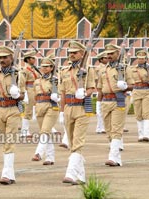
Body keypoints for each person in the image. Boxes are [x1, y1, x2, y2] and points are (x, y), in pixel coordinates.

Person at [59, 41, 95, 185]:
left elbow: (92, 88)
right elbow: (62, 93)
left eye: (74, 52)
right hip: (68, 107)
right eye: (70, 53)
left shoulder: (88, 69)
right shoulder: (64, 71)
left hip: (82, 108)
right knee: (72, 142)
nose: (71, 55)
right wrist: (62, 111)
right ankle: (81, 176)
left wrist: (85, 93)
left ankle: (71, 173)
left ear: (82, 54)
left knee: (78, 142)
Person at [0, 46, 25, 185]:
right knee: (4, 141)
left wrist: (18, 95)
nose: (2, 60)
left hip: (12, 109)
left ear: (12, 58)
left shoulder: (18, 74)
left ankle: (6, 173)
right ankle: (10, 174)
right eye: (0, 58)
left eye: (5, 57)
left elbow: (22, 95)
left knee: (9, 141)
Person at [96, 44, 134, 167]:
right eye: (108, 54)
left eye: (112, 53)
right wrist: (98, 103)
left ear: (118, 53)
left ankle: (112, 157)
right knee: (109, 131)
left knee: (116, 129)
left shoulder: (124, 68)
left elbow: (133, 85)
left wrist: (126, 87)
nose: (109, 56)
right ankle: (117, 158)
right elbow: (100, 88)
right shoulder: (103, 69)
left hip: (119, 100)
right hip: (106, 102)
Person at [31, 57, 59, 165]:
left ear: (52, 68)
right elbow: (35, 95)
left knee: (45, 131)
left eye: (47, 66)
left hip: (51, 106)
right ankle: (50, 157)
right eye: (43, 66)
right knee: (46, 132)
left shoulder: (56, 79)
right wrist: (34, 108)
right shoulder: (37, 81)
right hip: (39, 106)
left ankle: (39, 153)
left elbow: (62, 92)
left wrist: (57, 95)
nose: (44, 68)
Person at [130, 50, 149, 142]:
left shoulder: (148, 68)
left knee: (146, 113)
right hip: (136, 91)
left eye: (142, 58)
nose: (140, 60)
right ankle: (140, 134)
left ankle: (146, 134)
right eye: (139, 58)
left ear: (146, 59)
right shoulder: (133, 68)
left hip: (146, 91)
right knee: (138, 114)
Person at [20, 50, 39, 137]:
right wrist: (24, 93)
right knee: (28, 111)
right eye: (32, 58)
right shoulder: (25, 70)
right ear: (28, 59)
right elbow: (22, 82)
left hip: (35, 90)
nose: (34, 59)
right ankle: (24, 131)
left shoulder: (33, 68)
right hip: (29, 90)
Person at [95, 52, 108, 134]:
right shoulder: (98, 68)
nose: (107, 59)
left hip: (106, 90)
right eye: (105, 58)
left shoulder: (108, 67)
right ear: (101, 59)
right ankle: (100, 127)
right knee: (100, 111)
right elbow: (97, 81)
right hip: (101, 91)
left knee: (104, 110)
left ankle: (101, 127)